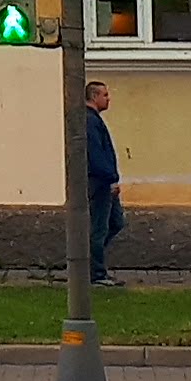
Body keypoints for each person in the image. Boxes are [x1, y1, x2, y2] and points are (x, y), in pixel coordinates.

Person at [81, 79, 126, 289]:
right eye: (105, 95)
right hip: (100, 183)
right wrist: (109, 179)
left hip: (106, 181)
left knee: (116, 222)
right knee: (99, 228)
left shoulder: (95, 120)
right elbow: (96, 155)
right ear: (94, 97)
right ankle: (95, 272)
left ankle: (90, 261)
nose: (108, 99)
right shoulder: (90, 122)